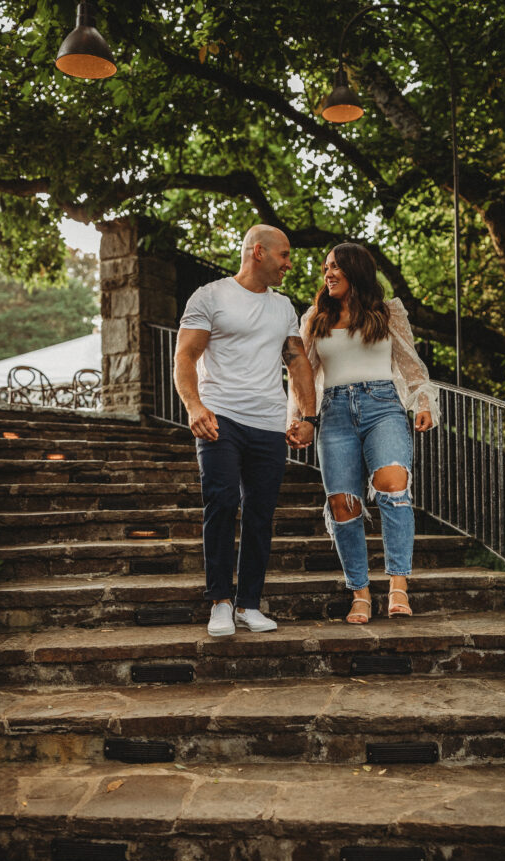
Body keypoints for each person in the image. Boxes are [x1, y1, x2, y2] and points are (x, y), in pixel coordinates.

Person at [174, 225, 316, 637]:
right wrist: (194, 406)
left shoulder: (284, 307)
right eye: (284, 255)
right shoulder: (210, 296)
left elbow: (298, 360)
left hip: (269, 422)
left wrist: (308, 417)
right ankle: (220, 601)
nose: (289, 263)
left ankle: (249, 604)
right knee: (220, 502)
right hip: (220, 416)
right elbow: (185, 355)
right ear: (259, 252)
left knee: (260, 515)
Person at [291, 242, 440, 623]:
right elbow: (302, 375)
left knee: (393, 485)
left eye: (336, 267)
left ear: (355, 271)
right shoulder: (315, 317)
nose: (328, 274)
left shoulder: (387, 313)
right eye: (325, 267)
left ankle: (397, 587)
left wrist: (423, 402)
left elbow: (412, 367)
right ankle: (360, 593)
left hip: (383, 406)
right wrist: (298, 418)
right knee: (344, 505)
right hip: (335, 412)